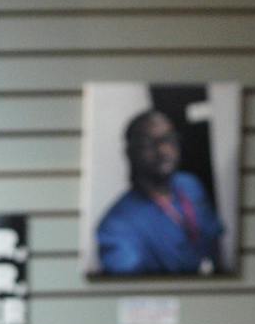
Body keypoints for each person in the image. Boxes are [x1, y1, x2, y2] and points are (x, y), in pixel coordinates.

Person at [93, 108, 226, 276]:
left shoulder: (190, 184)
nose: (163, 150)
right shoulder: (116, 227)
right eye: (149, 143)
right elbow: (130, 289)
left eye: (168, 139)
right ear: (130, 153)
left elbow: (216, 241)